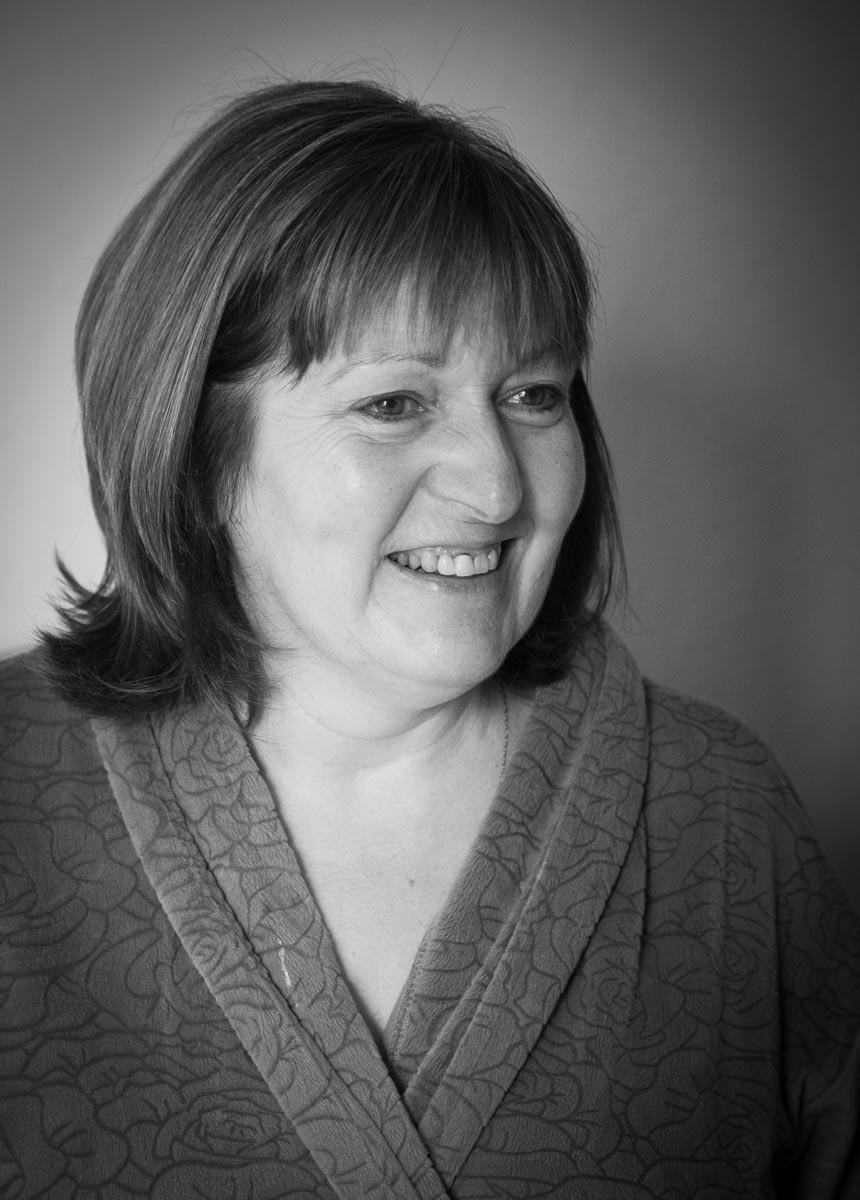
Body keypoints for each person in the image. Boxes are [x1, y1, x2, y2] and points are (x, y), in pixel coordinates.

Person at [0, 79, 857, 1200]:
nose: (497, 485)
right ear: (197, 454)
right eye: (394, 403)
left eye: (534, 393)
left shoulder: (724, 817)